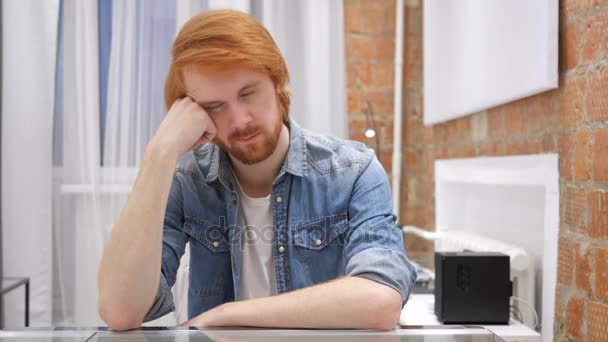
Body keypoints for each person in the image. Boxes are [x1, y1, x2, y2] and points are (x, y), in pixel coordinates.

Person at [97, 9, 416, 331]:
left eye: (248, 94)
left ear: (278, 83)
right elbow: (121, 311)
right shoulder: (187, 180)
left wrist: (226, 315)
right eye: (213, 107)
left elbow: (380, 299)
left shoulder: (353, 171)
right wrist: (159, 153)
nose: (239, 121)